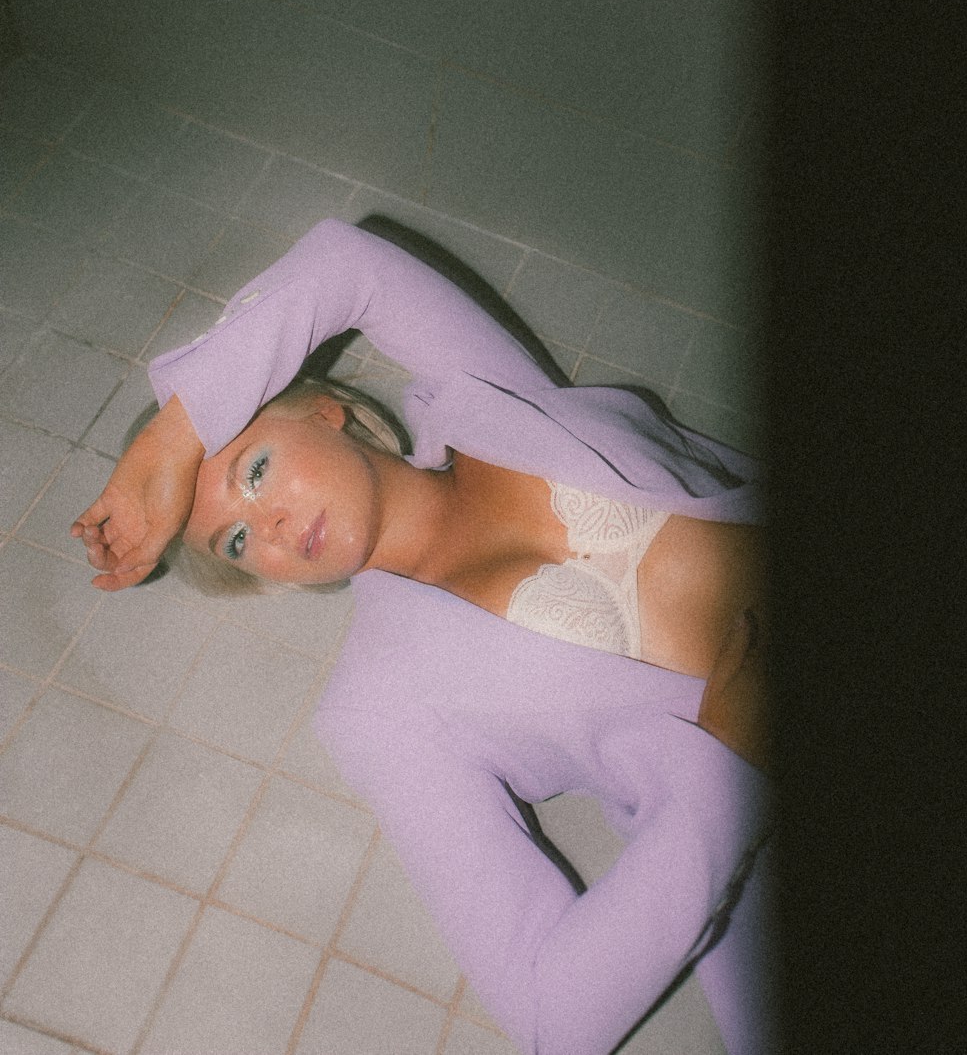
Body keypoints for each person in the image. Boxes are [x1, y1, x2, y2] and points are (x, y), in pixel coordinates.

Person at [72, 218, 776, 1055]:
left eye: (254, 471)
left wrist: (177, 432)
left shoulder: (484, 391)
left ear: (327, 412)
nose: (268, 524)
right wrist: (729, 770)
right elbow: (552, 1010)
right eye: (235, 542)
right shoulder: (380, 708)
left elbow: (349, 258)